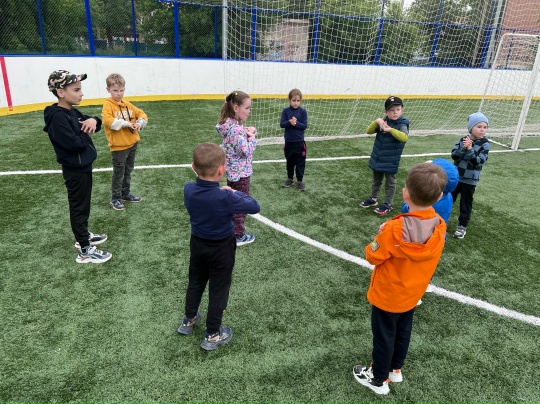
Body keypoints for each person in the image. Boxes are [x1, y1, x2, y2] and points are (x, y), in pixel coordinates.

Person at [353, 162, 447, 396]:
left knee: (384, 337)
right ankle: (395, 369)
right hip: (413, 293)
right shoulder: (440, 225)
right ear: (440, 196)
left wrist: (382, 234)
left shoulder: (394, 229)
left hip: (388, 294)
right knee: (403, 331)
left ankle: (378, 379)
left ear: (405, 193)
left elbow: (372, 255)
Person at [178, 142, 260, 351]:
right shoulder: (225, 196)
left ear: (193, 167)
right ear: (222, 170)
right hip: (221, 249)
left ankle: (188, 320)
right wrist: (232, 192)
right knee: (219, 289)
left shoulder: (189, 189)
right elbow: (254, 206)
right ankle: (213, 334)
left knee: (195, 281)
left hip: (197, 245)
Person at [43, 70, 112, 264]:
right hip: (74, 169)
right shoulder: (58, 117)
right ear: (60, 92)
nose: (81, 93)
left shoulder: (71, 111)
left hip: (84, 166)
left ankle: (83, 234)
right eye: (76, 90)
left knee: (84, 204)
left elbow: (94, 123)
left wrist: (93, 120)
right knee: (78, 207)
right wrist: (85, 133)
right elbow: (74, 144)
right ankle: (84, 249)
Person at [215, 91, 258, 246]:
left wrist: (247, 133)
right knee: (240, 205)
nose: (249, 111)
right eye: (247, 108)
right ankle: (238, 235)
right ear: (235, 108)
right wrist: (252, 139)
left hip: (233, 172)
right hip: (241, 173)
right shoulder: (236, 129)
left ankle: (230, 230)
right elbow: (245, 151)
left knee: (232, 202)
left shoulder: (231, 125)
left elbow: (236, 143)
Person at [101, 73, 148, 211]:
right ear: (108, 90)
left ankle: (125, 194)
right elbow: (108, 121)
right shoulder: (108, 105)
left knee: (128, 170)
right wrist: (127, 123)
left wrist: (139, 123)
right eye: (115, 90)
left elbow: (142, 114)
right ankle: (115, 198)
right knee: (119, 173)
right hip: (118, 148)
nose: (119, 93)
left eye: (122, 90)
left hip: (132, 144)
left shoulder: (127, 105)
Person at [359, 96, 409, 215]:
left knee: (390, 182)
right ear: (386, 112)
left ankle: (388, 204)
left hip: (391, 160)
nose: (395, 112)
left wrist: (390, 130)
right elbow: (368, 131)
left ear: (402, 110)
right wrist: (377, 121)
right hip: (378, 157)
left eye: (398, 109)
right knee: (377, 180)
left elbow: (404, 137)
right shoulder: (383, 121)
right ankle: (373, 198)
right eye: (392, 110)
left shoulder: (402, 123)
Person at [451, 112, 490, 239]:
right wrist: (464, 148)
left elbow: (477, 162)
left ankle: (462, 226)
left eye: (485, 127)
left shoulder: (485, 144)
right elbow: (454, 156)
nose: (482, 130)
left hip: (470, 181)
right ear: (471, 128)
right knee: (448, 199)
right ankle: (440, 218)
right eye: (479, 126)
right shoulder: (462, 140)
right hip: (456, 177)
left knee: (465, 203)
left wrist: (470, 149)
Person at [402, 158, 459, 224]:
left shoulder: (427, 197)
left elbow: (407, 210)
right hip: (437, 227)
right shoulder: (447, 195)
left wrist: (407, 200)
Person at [280, 88, 308, 191]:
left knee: (300, 162)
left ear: (301, 101)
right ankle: (290, 179)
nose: (296, 103)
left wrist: (296, 123)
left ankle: (300, 181)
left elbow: (304, 126)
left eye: (298, 100)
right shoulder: (286, 111)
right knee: (290, 161)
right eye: (293, 100)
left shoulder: (303, 111)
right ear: (289, 100)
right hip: (289, 142)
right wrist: (289, 122)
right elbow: (282, 124)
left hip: (299, 142)